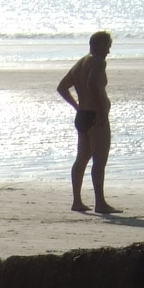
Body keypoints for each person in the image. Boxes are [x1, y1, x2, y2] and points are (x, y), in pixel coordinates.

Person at [56, 30, 119, 215]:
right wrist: (102, 109)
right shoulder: (98, 62)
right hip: (95, 116)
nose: (109, 50)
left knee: (82, 158)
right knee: (99, 160)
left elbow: (62, 87)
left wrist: (77, 106)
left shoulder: (81, 62)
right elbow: (93, 85)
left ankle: (77, 201)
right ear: (99, 45)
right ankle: (100, 202)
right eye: (107, 46)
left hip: (83, 115)